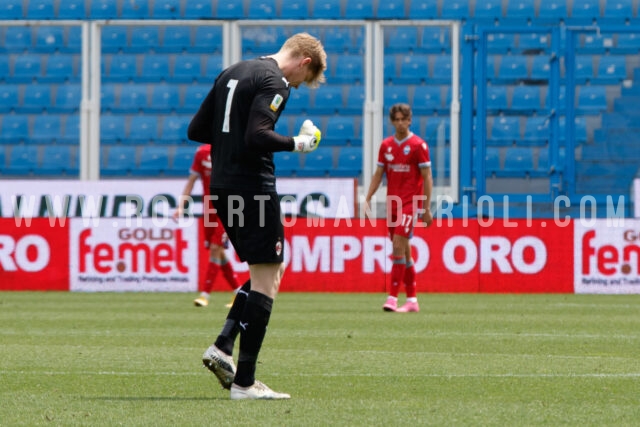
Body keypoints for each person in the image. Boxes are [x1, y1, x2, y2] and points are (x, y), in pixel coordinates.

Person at [187, 32, 327, 400]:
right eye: (304, 80)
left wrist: (229, 145)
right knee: (267, 280)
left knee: (270, 268)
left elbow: (196, 130)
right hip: (252, 187)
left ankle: (222, 345)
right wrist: (298, 143)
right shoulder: (276, 80)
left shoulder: (232, 70)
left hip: (222, 187)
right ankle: (245, 383)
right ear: (304, 62)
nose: (297, 85)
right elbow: (258, 135)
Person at [364, 103, 433, 313]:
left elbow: (427, 177)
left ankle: (392, 298)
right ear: (392, 122)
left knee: (397, 246)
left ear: (410, 120)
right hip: (393, 204)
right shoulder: (386, 146)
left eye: (404, 119)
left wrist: (426, 208)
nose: (401, 123)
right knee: (405, 252)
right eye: (397, 120)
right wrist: (367, 197)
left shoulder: (418, 146)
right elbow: (378, 175)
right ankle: (412, 300)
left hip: (410, 204)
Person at [172, 144, 241, 308]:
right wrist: (181, 205)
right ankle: (238, 291)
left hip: (228, 207)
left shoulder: (230, 148)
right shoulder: (202, 153)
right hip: (209, 209)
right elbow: (191, 182)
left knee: (216, 248)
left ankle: (205, 295)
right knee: (219, 252)